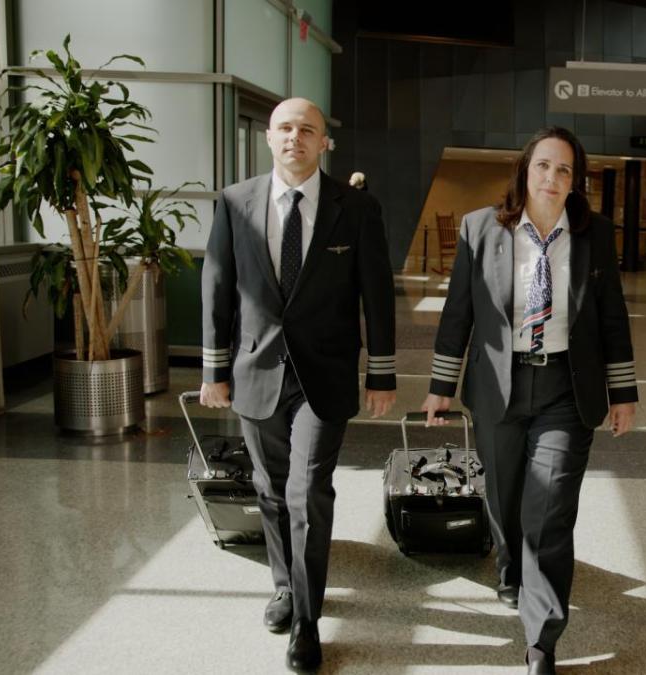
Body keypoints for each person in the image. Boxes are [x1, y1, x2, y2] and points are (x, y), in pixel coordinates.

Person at [421, 126, 637, 675]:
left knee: (550, 510)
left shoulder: (594, 235)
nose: (552, 177)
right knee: (505, 495)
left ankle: (542, 641)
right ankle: (509, 568)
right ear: (525, 170)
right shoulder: (481, 229)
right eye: (543, 165)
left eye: (564, 170)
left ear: (575, 181)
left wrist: (624, 394)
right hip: (499, 386)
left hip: (567, 389)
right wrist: (441, 387)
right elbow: (458, 315)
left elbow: (612, 319)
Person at [200, 98, 396, 672]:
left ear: (323, 142)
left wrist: (380, 373)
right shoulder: (235, 203)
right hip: (257, 371)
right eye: (285, 128)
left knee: (307, 490)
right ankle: (285, 587)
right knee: (269, 487)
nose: (295, 138)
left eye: (307, 130)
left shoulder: (356, 208)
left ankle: (308, 622)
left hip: (325, 375)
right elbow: (218, 283)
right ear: (269, 137)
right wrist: (214, 369)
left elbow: (377, 296)